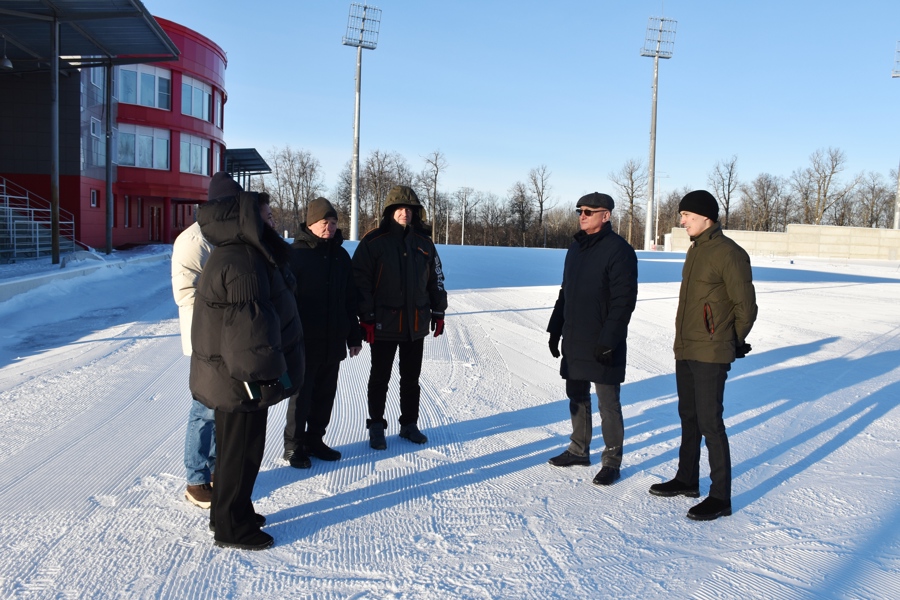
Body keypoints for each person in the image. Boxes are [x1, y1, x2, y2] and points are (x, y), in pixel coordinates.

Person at [190, 187, 304, 550]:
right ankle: (231, 527)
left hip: (232, 375)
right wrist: (265, 377)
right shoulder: (243, 260)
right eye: (268, 217)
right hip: (241, 379)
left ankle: (231, 510)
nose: (273, 222)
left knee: (233, 452)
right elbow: (248, 329)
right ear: (249, 220)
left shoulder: (240, 253)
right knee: (241, 453)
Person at [649, 189, 757, 521]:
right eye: (682, 215)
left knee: (710, 422)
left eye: (687, 216)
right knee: (689, 416)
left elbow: (747, 308)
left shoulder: (729, 253)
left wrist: (730, 342)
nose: (681, 221)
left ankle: (720, 496)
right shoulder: (696, 250)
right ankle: (687, 478)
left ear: (705, 218)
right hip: (687, 347)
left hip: (711, 351)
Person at [546, 192, 638, 486]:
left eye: (588, 211)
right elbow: (566, 292)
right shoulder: (576, 247)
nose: (581, 215)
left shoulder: (619, 251)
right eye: (579, 211)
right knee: (576, 394)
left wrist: (609, 339)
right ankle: (578, 449)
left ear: (606, 215)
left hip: (602, 339)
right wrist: (555, 328)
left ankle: (611, 460)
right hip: (575, 336)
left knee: (608, 402)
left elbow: (624, 301)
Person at [352, 185, 447, 450]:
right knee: (380, 377)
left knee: (411, 378)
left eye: (410, 209)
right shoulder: (374, 242)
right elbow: (360, 281)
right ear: (389, 211)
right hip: (383, 323)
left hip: (415, 323)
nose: (405, 212)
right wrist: (367, 317)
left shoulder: (424, 243)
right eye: (400, 208)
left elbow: (436, 278)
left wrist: (438, 310)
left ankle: (409, 424)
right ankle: (376, 426)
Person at [171, 171, 242, 508]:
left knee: (222, 405)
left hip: (227, 336)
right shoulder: (195, 240)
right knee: (205, 408)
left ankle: (213, 468)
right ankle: (196, 478)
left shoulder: (227, 234)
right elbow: (185, 294)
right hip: (205, 337)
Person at [282, 197, 362, 469]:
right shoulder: (296, 256)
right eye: (323, 222)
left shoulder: (341, 256)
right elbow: (284, 302)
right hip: (304, 341)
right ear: (310, 224)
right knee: (301, 396)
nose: (329, 227)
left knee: (326, 394)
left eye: (333, 222)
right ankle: (294, 446)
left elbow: (350, 299)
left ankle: (315, 439)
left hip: (334, 338)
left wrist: (354, 335)